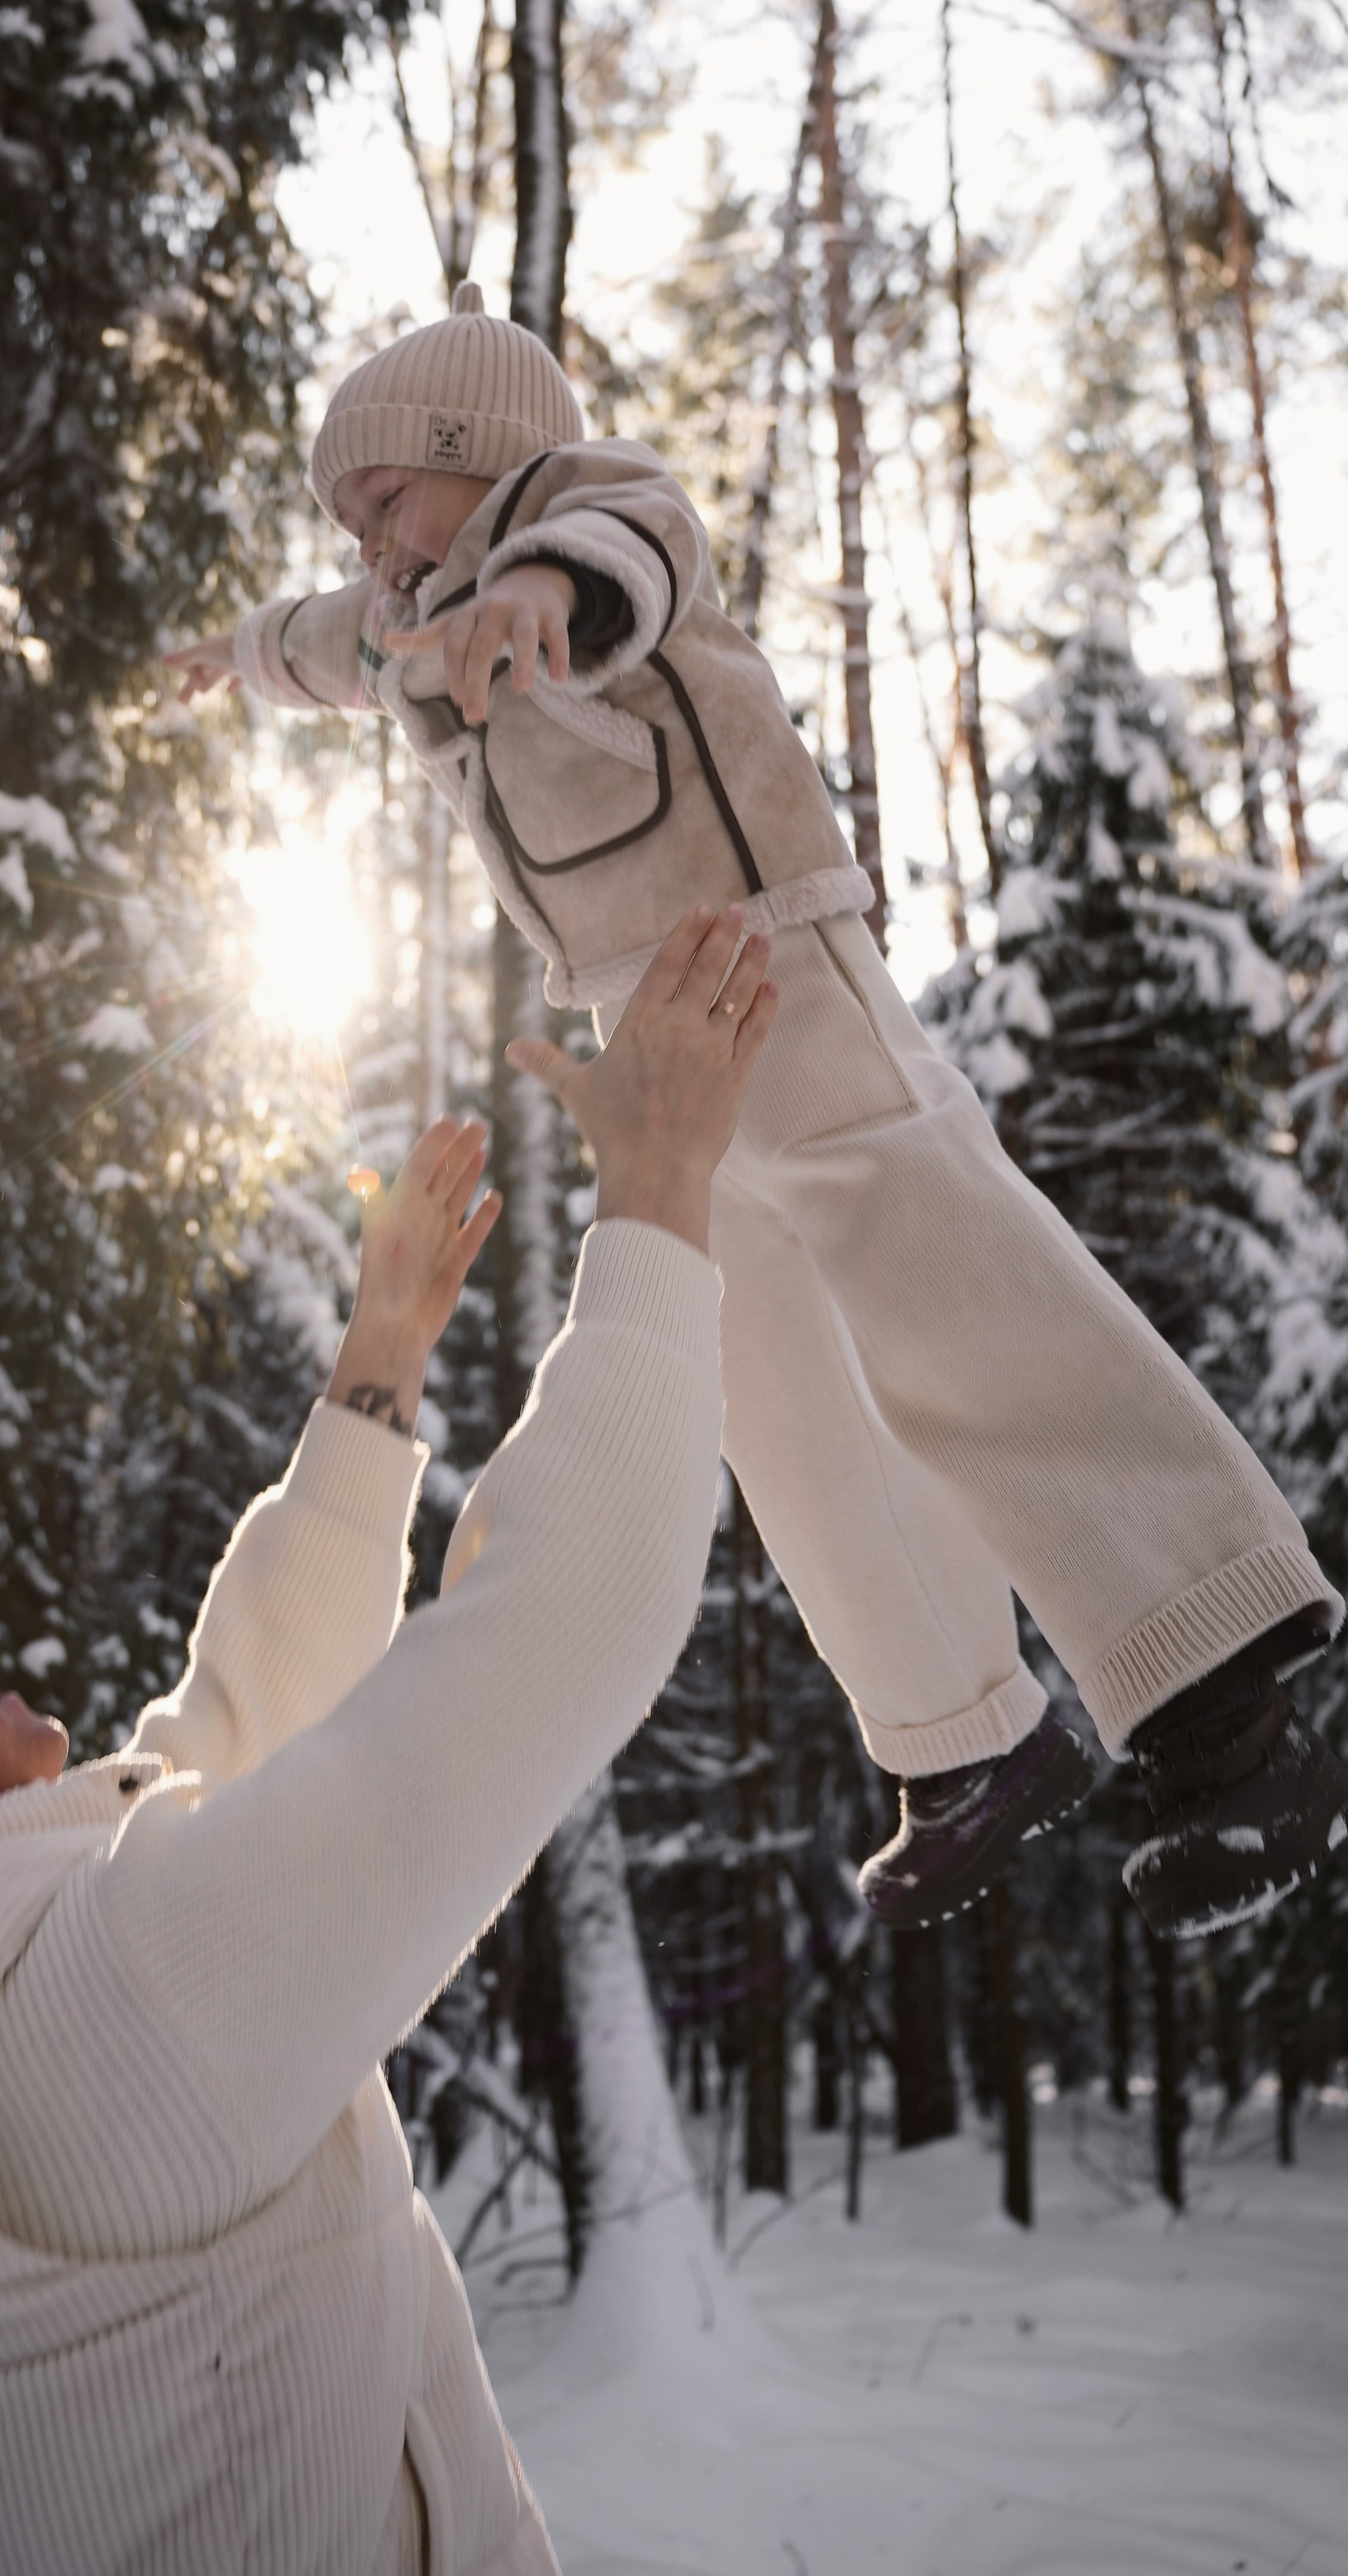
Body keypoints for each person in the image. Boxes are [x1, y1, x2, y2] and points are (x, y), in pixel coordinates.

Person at [0, 908, 777, 2576]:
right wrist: (657, 1189)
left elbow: (217, 1770)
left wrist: (381, 1365)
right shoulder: (65, 2050)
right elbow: (572, 1617)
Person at [165, 282, 1347, 1941]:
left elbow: (621, 560)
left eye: (386, 499)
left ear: (473, 451)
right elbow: (322, 641)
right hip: (659, 1032)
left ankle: (1223, 1690)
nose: (371, 546)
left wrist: (535, 590)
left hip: (772, 950)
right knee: (773, 1386)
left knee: (942, 1282)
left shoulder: (576, 509)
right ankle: (962, 1740)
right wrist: (234, 659)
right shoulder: (410, 615)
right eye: (349, 527)